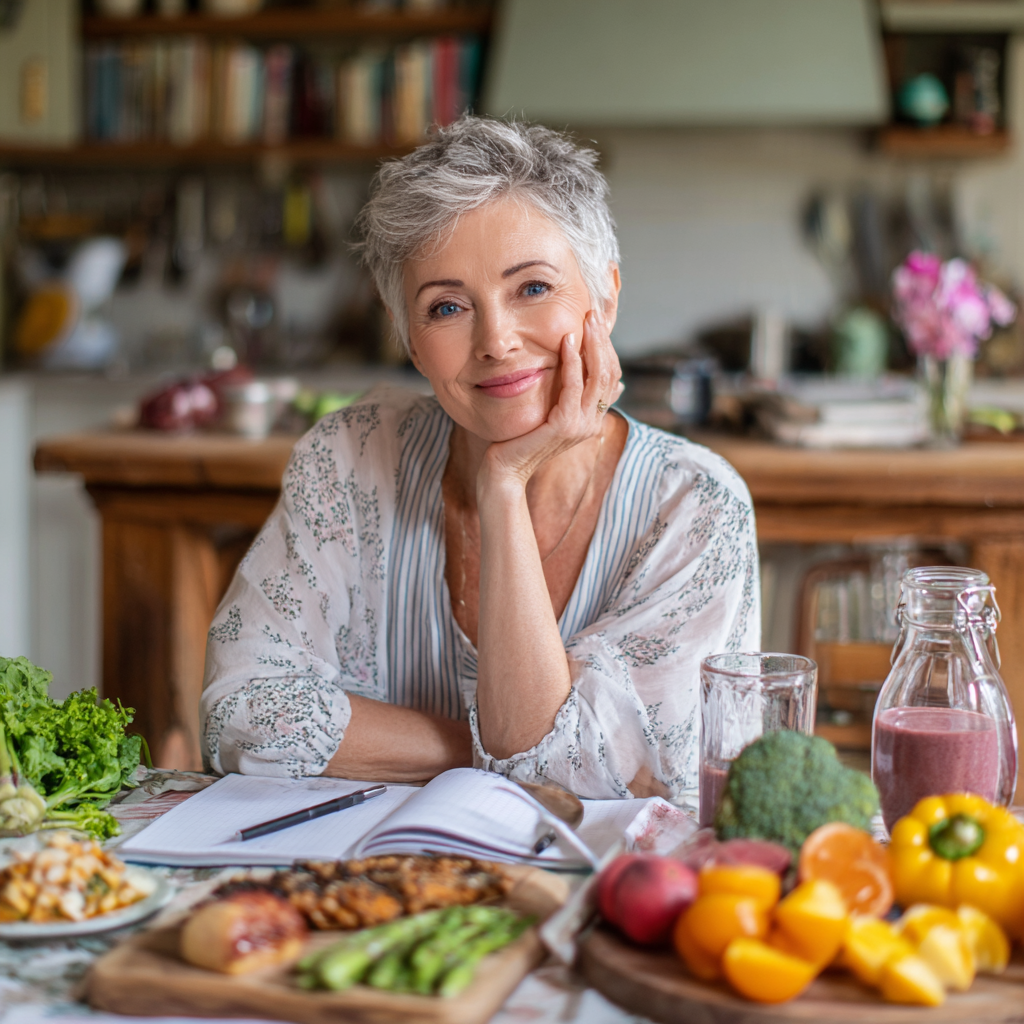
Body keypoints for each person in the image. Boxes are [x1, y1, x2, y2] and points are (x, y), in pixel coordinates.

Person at [200, 116, 760, 807]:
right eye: (446, 307)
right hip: (368, 886)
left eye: (532, 289)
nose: (496, 341)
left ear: (605, 296)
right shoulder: (348, 459)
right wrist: (494, 752)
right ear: (408, 337)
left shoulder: (696, 507)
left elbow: (641, 782)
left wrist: (501, 483)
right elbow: (238, 717)